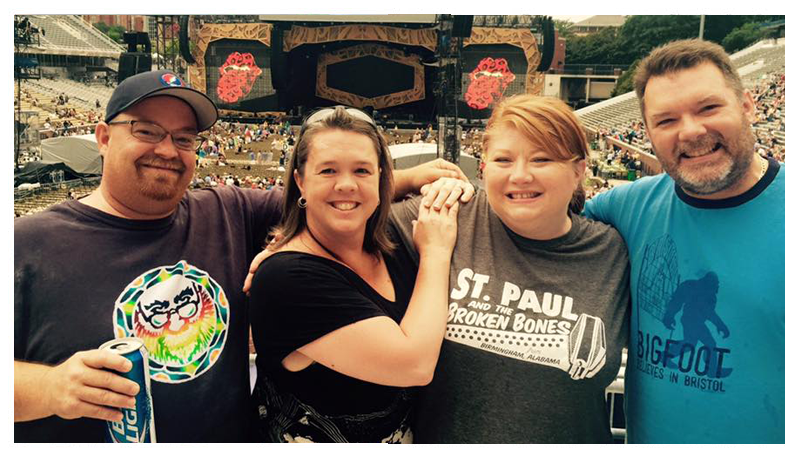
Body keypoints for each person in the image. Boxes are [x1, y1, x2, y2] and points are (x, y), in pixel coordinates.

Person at [13, 70, 471, 442]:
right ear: (103, 137)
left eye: (185, 138)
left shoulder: (226, 210)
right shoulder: (26, 243)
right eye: (146, 131)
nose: (167, 150)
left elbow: (330, 198)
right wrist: (51, 388)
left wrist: (423, 177)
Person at [583, 39, 785, 443]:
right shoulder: (624, 207)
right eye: (666, 121)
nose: (692, 131)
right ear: (648, 133)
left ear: (747, 106)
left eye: (708, 108)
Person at [389, 95, 630, 443]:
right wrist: (409, 179)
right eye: (503, 159)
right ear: (484, 167)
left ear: (579, 170)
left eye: (542, 159)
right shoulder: (445, 214)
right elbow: (327, 210)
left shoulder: (614, 254)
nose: (520, 175)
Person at [249, 107, 459, 442]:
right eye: (328, 170)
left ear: (380, 178)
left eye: (361, 170)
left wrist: (448, 186)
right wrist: (435, 251)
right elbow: (414, 365)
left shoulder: (388, 247)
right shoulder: (285, 279)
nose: (346, 184)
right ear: (300, 181)